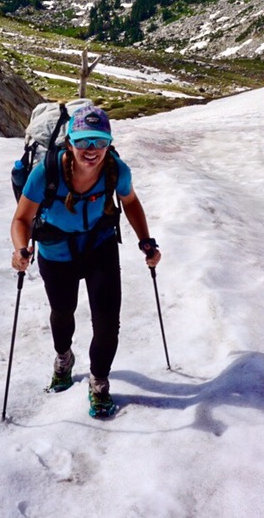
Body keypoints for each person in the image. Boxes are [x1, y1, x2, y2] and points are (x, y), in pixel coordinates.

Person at [10, 104, 160, 418]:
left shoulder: (116, 170)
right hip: (56, 251)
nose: (91, 150)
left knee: (107, 323)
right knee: (62, 312)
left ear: (109, 143)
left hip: (99, 246)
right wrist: (21, 249)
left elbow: (131, 202)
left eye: (100, 141)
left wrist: (146, 241)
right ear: (70, 142)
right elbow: (22, 219)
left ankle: (99, 381)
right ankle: (63, 357)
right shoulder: (46, 172)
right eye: (83, 141)